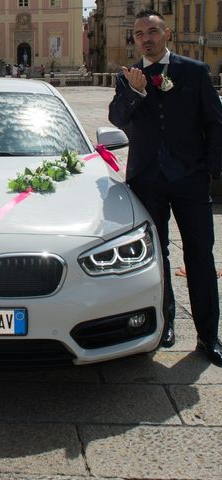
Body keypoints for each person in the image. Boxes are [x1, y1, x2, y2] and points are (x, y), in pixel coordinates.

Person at [109, 10, 222, 366]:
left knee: (201, 256)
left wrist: (211, 171)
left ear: (166, 34)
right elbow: (117, 119)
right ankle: (166, 322)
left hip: (190, 179)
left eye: (153, 31)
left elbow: (215, 123)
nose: (146, 38)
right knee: (157, 258)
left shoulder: (194, 72)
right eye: (140, 33)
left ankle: (208, 335)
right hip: (146, 181)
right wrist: (135, 94)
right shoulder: (127, 77)